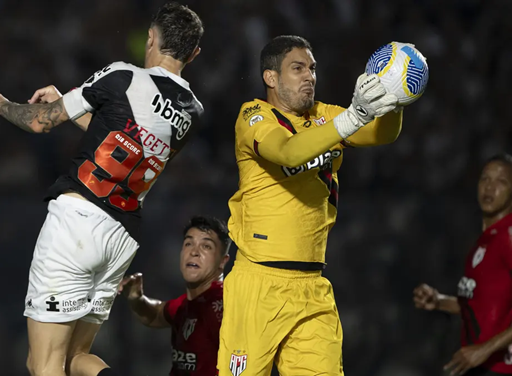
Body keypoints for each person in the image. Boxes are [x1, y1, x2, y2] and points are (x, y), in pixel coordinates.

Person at [0, 3, 204, 376]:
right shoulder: (193, 112)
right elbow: (130, 144)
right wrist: (71, 105)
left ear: (151, 38)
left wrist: (1, 106)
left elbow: (40, 123)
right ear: (194, 54)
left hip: (77, 225)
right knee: (75, 359)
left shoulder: (122, 76)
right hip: (121, 238)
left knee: (44, 364)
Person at [218, 35, 404, 376]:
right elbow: (288, 152)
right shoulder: (253, 116)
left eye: (313, 68)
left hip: (313, 286)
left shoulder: (324, 116)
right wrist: (353, 117)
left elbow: (380, 134)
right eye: (298, 68)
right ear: (271, 78)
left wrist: (396, 97)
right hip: (260, 284)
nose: (310, 76)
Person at [414, 154, 512, 376]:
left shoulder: (509, 236)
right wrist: (439, 301)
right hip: (481, 366)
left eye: (501, 181)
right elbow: (485, 306)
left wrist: (483, 350)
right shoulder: (485, 240)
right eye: (485, 179)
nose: (490, 187)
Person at [118, 216, 230, 375]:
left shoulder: (226, 305)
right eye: (188, 243)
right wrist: (137, 298)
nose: (194, 252)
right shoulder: (188, 304)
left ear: (223, 261)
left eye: (206, 246)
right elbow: (155, 314)